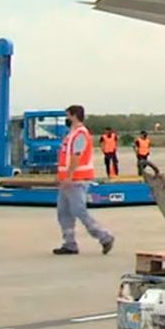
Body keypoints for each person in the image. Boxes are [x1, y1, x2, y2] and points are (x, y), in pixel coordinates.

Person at [53, 105, 114, 256]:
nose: (66, 119)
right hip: (68, 180)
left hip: (77, 179)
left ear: (74, 116)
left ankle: (104, 237)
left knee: (79, 210)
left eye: (67, 115)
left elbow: (76, 155)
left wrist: (69, 175)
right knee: (64, 212)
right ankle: (69, 243)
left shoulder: (80, 134)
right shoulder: (72, 134)